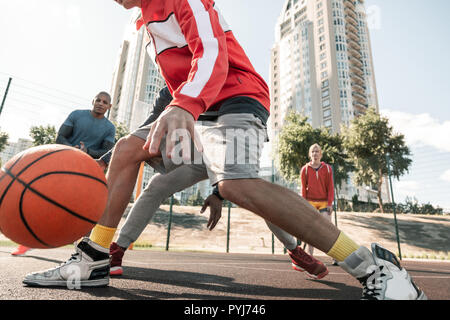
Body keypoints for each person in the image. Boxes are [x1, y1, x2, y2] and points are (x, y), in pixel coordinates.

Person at [23, 0, 426, 300]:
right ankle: (94, 257)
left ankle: (373, 268)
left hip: (236, 98)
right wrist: (145, 133)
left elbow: (212, 53)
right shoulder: (143, 21)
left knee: (236, 184)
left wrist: (184, 106)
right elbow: (172, 86)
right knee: (129, 149)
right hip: (194, 109)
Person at [100, 87, 327, 279]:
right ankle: (117, 249)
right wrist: (106, 160)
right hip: (197, 148)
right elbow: (148, 126)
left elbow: (232, 135)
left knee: (256, 195)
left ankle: (294, 251)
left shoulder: (221, 74)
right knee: (156, 187)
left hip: (228, 144)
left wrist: (218, 192)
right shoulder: (170, 87)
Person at [11, 91, 116, 256]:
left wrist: (86, 151)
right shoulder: (77, 115)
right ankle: (27, 240)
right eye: (98, 100)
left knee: (86, 211)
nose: (100, 103)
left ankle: (81, 250)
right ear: (92, 101)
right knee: (41, 202)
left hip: (87, 171)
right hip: (63, 165)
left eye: (104, 102)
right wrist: (72, 149)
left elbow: (106, 152)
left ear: (109, 106)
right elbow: (60, 136)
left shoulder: (110, 128)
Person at [300, 144, 334, 257]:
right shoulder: (304, 170)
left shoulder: (328, 169)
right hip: (310, 202)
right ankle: (310, 256)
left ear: (320, 154)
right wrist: (304, 205)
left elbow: (330, 187)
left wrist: (330, 203)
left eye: (317, 151)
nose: (315, 153)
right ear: (310, 154)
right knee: (311, 230)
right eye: (313, 152)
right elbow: (303, 189)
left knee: (328, 229)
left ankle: (335, 256)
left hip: (324, 202)